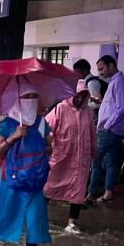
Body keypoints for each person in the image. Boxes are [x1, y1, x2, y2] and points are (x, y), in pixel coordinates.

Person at [0, 83, 52, 246]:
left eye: (34, 96)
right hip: (9, 181)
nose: (30, 101)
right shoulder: (8, 123)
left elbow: (50, 147)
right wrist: (14, 137)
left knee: (35, 222)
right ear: (18, 100)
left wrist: (41, 150)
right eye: (26, 97)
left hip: (33, 182)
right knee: (3, 217)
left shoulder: (41, 123)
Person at [44, 83, 96, 233]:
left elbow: (92, 133)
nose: (79, 99)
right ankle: (39, 215)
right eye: (77, 95)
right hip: (62, 155)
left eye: (83, 96)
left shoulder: (88, 113)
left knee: (78, 190)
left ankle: (72, 222)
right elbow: (47, 127)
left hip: (81, 159)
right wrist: (48, 144)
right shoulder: (60, 108)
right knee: (49, 185)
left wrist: (93, 150)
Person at [88, 55, 124, 204]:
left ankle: (91, 194)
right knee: (111, 161)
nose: (99, 72)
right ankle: (108, 192)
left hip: (109, 130)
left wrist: (107, 125)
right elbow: (114, 106)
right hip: (113, 129)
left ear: (111, 65)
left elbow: (123, 107)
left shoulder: (120, 82)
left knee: (96, 159)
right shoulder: (115, 82)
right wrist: (101, 104)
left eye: (102, 68)